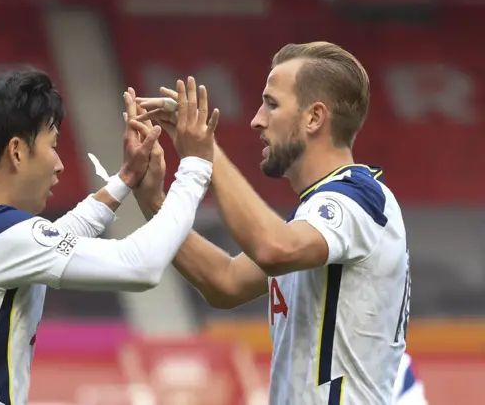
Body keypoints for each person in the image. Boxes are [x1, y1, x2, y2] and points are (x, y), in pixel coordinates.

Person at [0, 70, 219, 405]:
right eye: (53, 146)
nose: (60, 165)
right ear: (17, 151)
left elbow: (44, 242)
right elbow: (140, 266)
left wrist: (125, 180)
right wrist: (196, 166)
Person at [134, 42, 411, 404]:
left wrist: (206, 152)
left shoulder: (359, 198)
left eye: (272, 104)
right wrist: (153, 202)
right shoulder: (313, 217)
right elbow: (226, 282)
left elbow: (271, 248)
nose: (256, 119)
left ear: (314, 117)